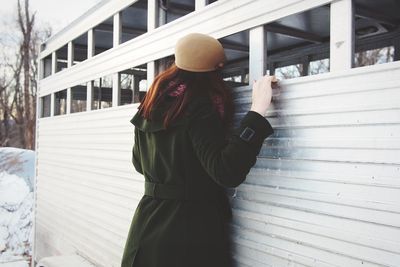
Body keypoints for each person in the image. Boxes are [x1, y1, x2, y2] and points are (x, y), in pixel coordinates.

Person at [121, 33, 275, 267]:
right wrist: (257, 112)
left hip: (147, 227)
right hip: (187, 236)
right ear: (214, 72)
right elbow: (226, 171)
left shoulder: (152, 102)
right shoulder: (199, 105)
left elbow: (139, 163)